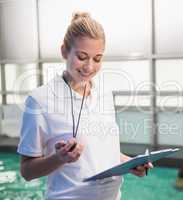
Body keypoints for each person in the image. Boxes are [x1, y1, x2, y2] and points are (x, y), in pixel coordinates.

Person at [17, 12, 152, 200]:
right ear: (64, 51)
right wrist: (59, 158)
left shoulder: (104, 95)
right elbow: (27, 171)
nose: (89, 67)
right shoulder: (40, 100)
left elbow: (102, 153)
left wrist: (131, 163)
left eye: (97, 59)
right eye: (82, 56)